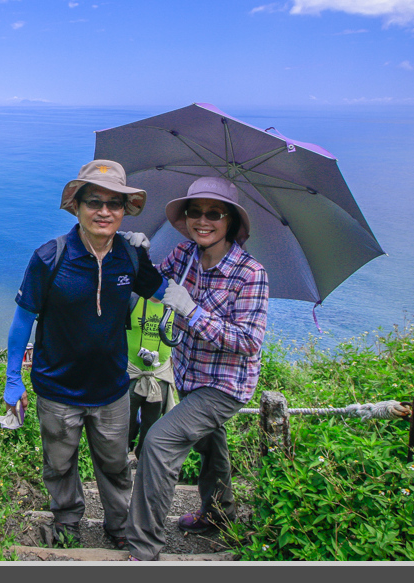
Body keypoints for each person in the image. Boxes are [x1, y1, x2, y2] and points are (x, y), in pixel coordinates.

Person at [4, 160, 163, 550]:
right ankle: (67, 521)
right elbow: (23, 319)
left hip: (112, 389)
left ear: (125, 211)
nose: (104, 211)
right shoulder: (50, 257)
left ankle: (119, 526)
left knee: (115, 466)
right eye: (95, 202)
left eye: (115, 204)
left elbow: (160, 292)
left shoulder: (129, 255)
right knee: (59, 465)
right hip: (57, 389)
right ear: (77, 206)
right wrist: (12, 379)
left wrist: (154, 254)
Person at [125, 176, 268, 561]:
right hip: (190, 372)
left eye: (214, 214)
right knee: (210, 445)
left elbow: (248, 341)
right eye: (194, 211)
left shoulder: (250, 273)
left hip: (224, 385)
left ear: (231, 222)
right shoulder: (186, 254)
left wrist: (192, 310)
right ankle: (218, 515)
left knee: (158, 442)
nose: (202, 220)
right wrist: (138, 255)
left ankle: (143, 546)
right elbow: (154, 284)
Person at [125, 295, 175, 460]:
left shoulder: (175, 305)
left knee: (153, 426)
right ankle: (122, 454)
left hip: (160, 375)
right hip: (132, 372)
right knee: (125, 422)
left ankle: (144, 458)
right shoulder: (132, 299)